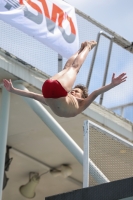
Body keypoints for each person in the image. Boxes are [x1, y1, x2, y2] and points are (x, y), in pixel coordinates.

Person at [3, 41, 127, 118]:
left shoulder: (82, 104)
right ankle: (85, 47)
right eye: (73, 90)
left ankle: (84, 48)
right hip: (57, 90)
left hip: (47, 89)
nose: (73, 92)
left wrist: (13, 90)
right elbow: (33, 95)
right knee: (71, 68)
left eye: (77, 92)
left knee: (72, 67)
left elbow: (33, 95)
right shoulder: (66, 98)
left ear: (83, 97)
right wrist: (112, 84)